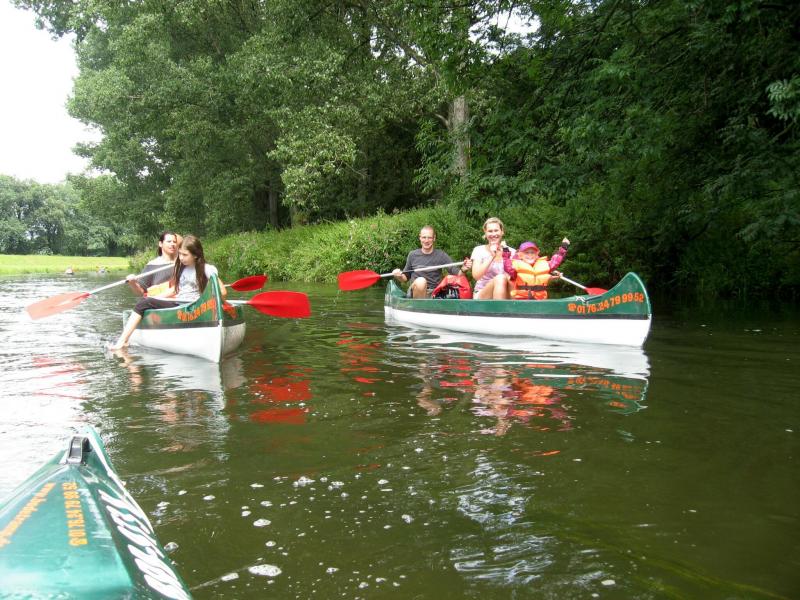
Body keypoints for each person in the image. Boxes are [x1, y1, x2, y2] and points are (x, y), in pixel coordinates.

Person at [109, 235, 226, 350]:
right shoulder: (181, 268)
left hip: (195, 307)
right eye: (180, 254)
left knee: (146, 302)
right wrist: (153, 298)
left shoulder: (206, 269)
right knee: (143, 303)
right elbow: (176, 290)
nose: (181, 258)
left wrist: (213, 301)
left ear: (195, 255)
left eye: (185, 255)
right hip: (178, 304)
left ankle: (123, 340)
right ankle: (123, 341)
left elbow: (222, 291)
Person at [391, 225, 472, 298]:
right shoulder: (412, 255)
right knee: (421, 281)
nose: (426, 241)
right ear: (420, 237)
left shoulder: (441, 255)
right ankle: (419, 307)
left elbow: (458, 273)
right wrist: (398, 275)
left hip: (434, 294)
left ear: (434, 238)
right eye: (424, 237)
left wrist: (464, 269)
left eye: (429, 238)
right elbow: (404, 278)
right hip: (415, 292)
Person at [470, 217, 516, 299]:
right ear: (485, 233)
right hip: (483, 292)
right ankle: (499, 307)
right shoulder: (478, 250)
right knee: (500, 278)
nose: (493, 234)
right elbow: (476, 276)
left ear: (502, 232)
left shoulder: (512, 252)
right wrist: (492, 256)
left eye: (496, 230)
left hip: (507, 292)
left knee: (510, 283)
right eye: (490, 231)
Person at [125, 231, 180, 297]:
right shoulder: (152, 265)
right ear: (160, 244)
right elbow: (140, 292)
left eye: (174, 242)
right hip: (159, 301)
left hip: (180, 300)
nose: (172, 244)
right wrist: (133, 283)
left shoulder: (182, 263)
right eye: (169, 241)